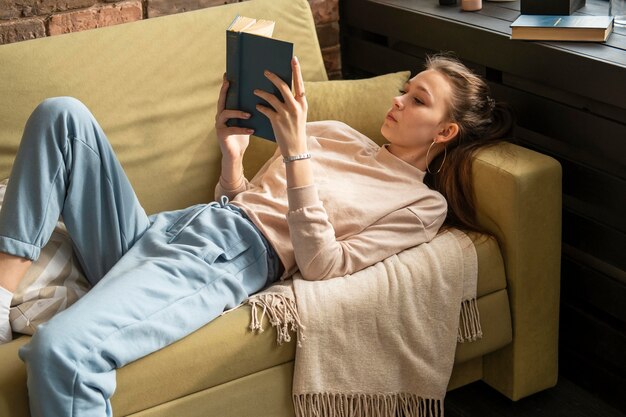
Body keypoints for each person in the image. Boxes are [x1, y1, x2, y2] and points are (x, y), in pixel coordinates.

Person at [0, 53, 512, 417]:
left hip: (225, 259)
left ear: (445, 132)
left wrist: (295, 153)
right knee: (62, 114)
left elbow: (322, 264)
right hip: (175, 226)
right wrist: (233, 155)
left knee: (61, 355)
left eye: (418, 99)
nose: (399, 101)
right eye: (405, 89)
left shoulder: (421, 204)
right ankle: (2, 299)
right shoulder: (333, 133)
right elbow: (246, 200)